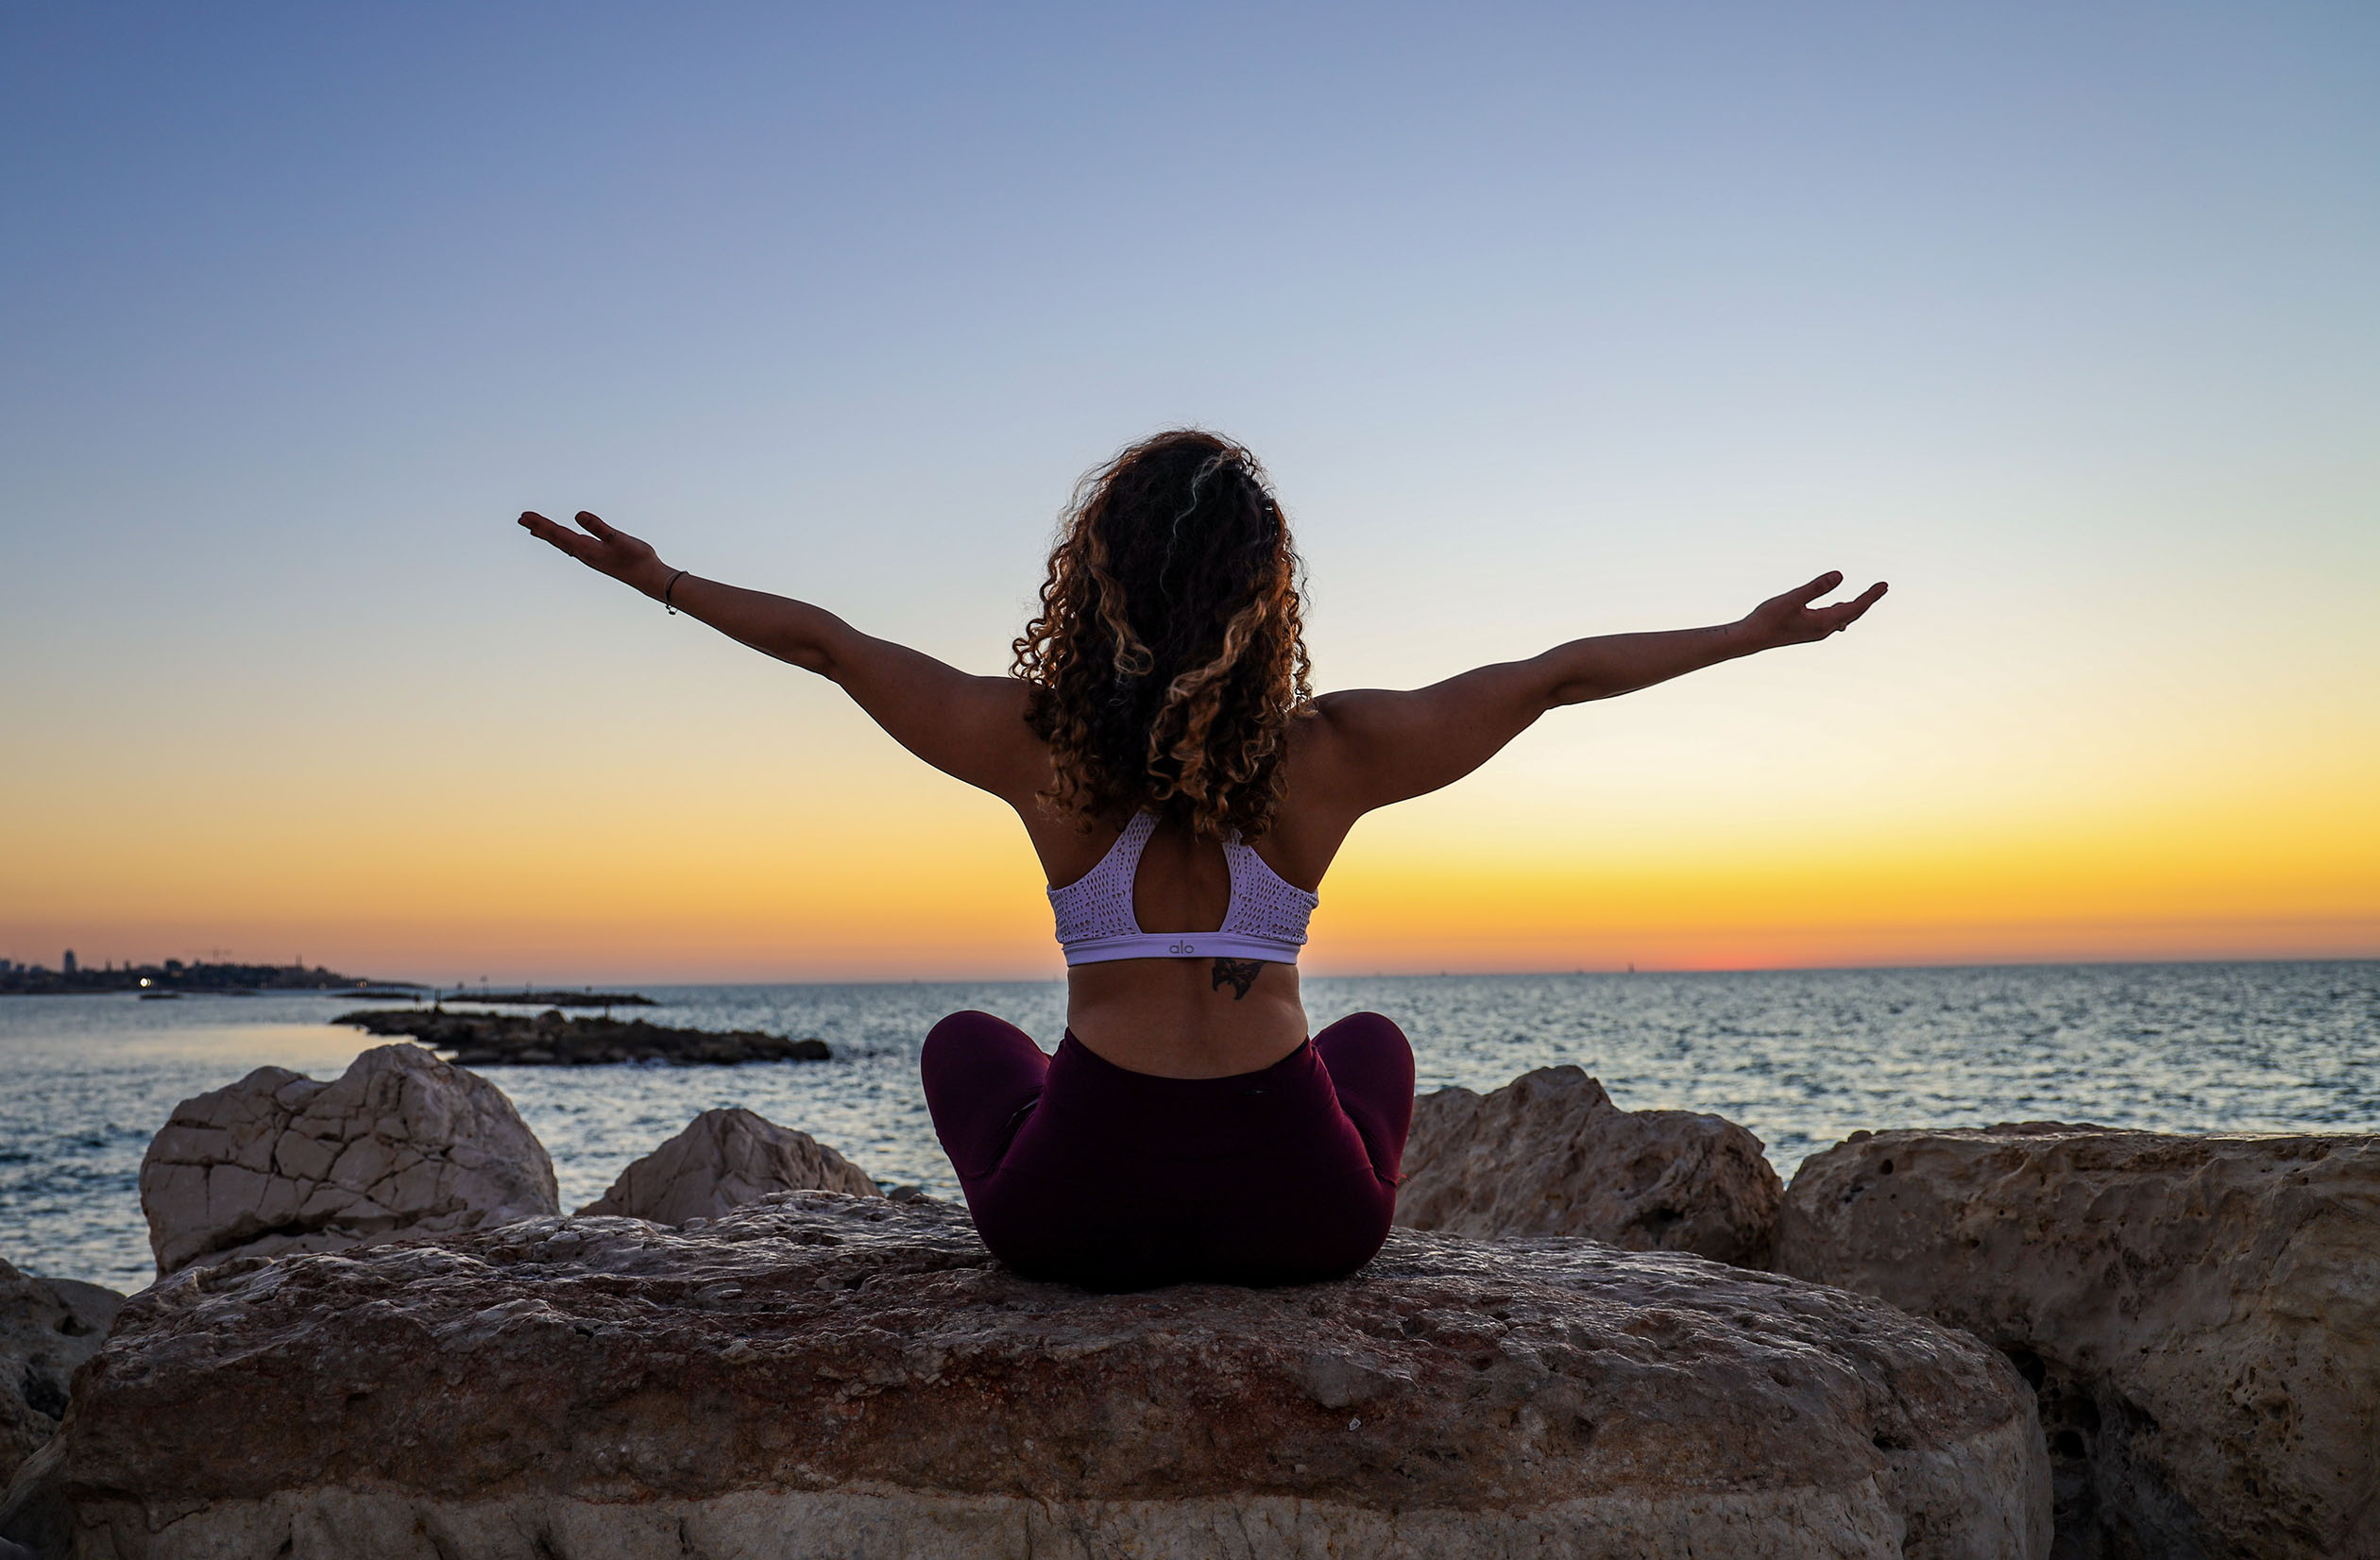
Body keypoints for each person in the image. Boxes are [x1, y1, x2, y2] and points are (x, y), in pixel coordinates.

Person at [521, 430, 1884, 1290]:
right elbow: (1556, 678)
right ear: (1265, 598)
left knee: (964, 1044)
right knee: (1378, 1048)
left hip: (1072, 1216)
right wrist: (1745, 634)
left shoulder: (1036, 746)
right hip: (1304, 1219)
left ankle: (1084, 1109)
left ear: (1092, 582)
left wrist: (664, 581)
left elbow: (830, 646)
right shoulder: (1333, 755)